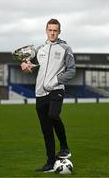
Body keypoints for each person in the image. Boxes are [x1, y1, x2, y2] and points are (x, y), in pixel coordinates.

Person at [21, 18, 76, 172]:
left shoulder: (66, 48)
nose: (52, 33)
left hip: (56, 89)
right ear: (46, 31)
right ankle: (50, 163)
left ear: (59, 32)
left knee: (53, 115)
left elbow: (72, 70)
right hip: (40, 92)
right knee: (46, 130)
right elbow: (30, 65)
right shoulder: (40, 50)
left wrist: (57, 79)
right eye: (50, 30)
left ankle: (64, 147)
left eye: (55, 30)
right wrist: (25, 65)